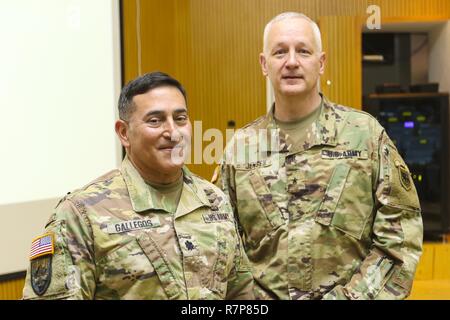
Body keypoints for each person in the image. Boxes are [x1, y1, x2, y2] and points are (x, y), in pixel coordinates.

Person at [218, 12, 423, 300]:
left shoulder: (365, 135)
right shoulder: (240, 150)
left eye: (303, 51)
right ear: (264, 64)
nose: (291, 61)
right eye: (279, 52)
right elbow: (222, 247)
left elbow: (400, 238)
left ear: (321, 62)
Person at [22, 71, 254, 300]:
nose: (173, 132)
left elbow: (241, 294)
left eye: (180, 118)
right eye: (155, 121)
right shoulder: (81, 215)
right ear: (124, 133)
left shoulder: (214, 202)